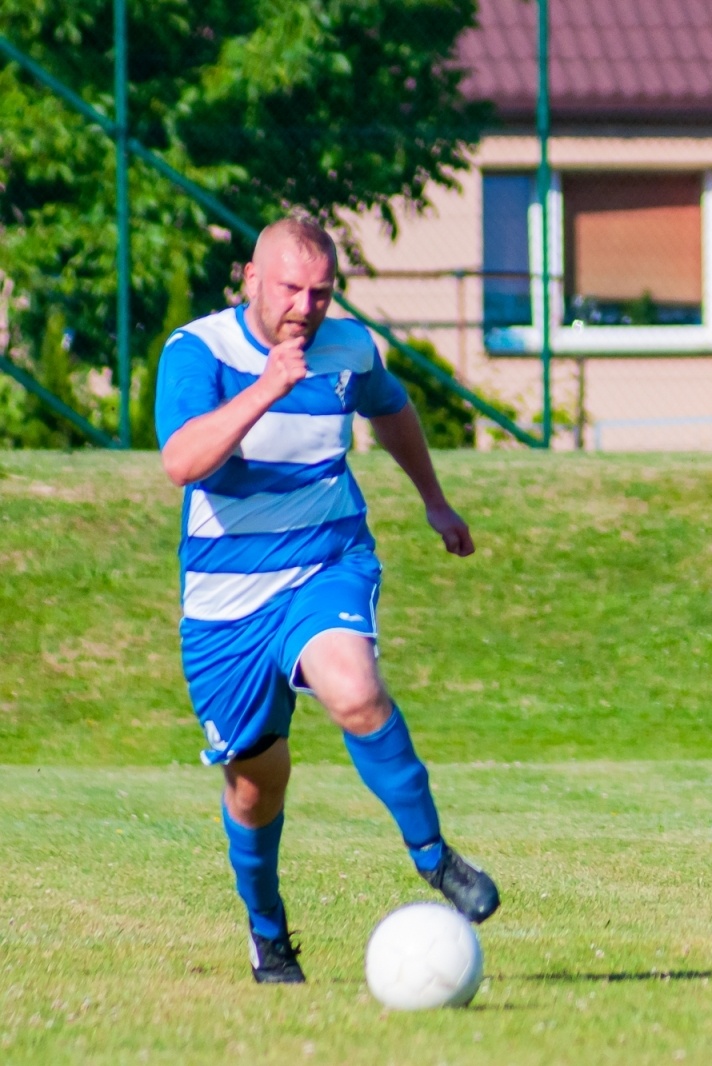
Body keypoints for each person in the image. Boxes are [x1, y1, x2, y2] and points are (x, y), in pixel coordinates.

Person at [155, 216, 501, 983]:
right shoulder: (198, 351)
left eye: (321, 292)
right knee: (256, 786)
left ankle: (433, 855)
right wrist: (267, 389)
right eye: (291, 289)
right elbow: (183, 461)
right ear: (251, 278)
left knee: (354, 689)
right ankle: (267, 933)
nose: (306, 307)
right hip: (226, 604)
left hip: (326, 562)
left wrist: (434, 501)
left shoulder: (348, 348)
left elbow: (392, 409)